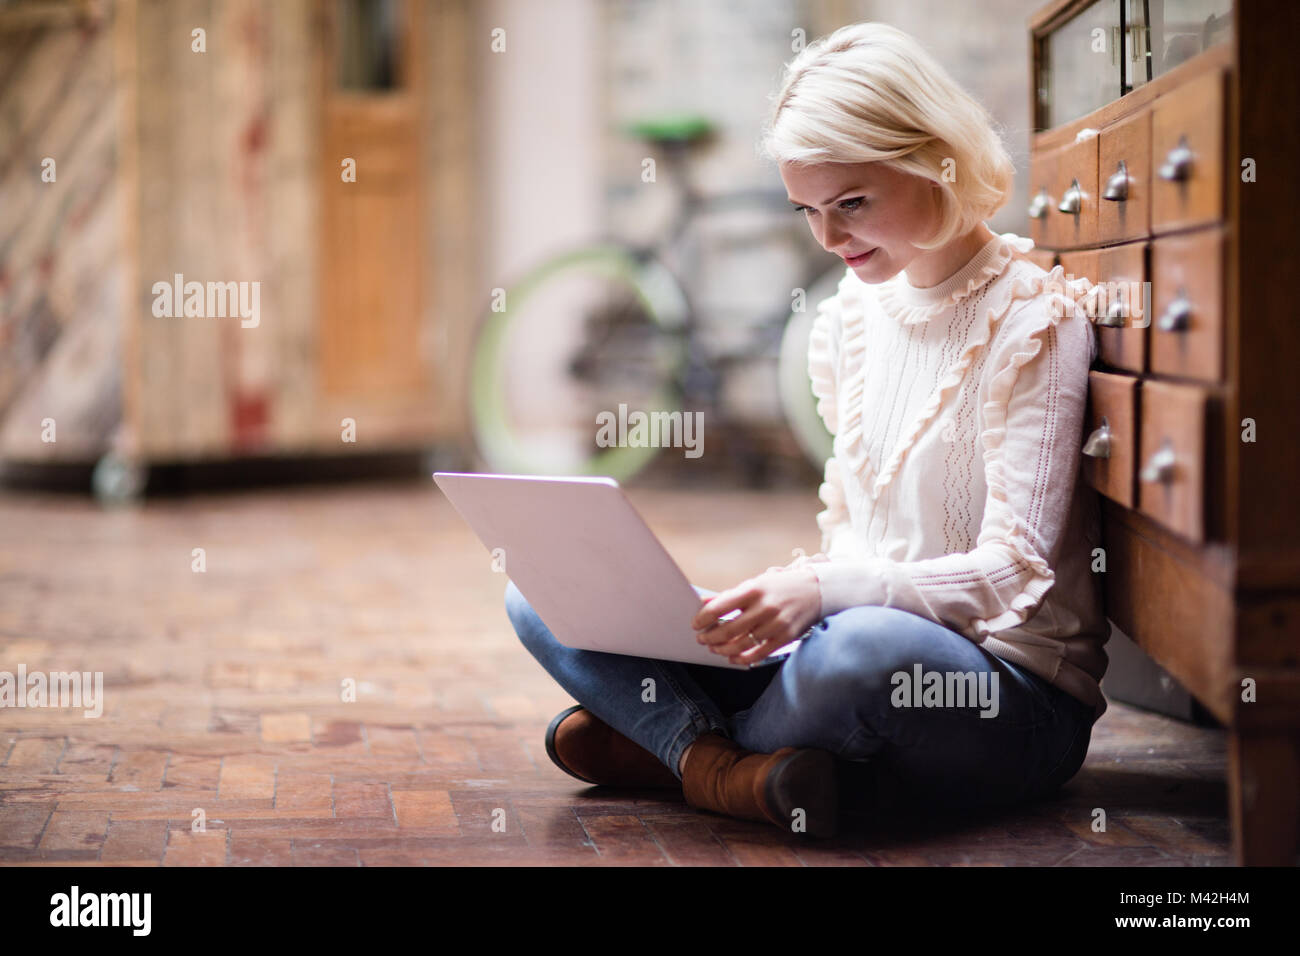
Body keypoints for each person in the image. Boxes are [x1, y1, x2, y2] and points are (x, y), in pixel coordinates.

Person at [505, 21, 1108, 839]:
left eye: (851, 203)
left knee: (857, 657)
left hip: (1004, 698)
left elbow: (1013, 573)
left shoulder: (1036, 320)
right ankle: (728, 766)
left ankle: (672, 750)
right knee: (541, 585)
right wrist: (761, 610)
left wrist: (821, 592)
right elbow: (861, 541)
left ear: (937, 159)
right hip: (839, 641)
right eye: (807, 209)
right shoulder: (848, 319)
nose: (828, 238)